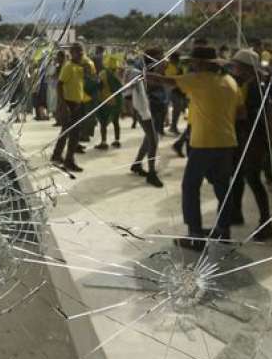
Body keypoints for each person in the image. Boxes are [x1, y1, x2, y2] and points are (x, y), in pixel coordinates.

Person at [151, 45, 240, 248]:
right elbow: (240, 112)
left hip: (204, 143)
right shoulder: (230, 81)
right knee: (222, 187)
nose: (191, 65)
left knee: (190, 187)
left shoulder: (198, 79)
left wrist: (144, 73)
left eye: (193, 62)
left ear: (201, 63)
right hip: (227, 142)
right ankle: (223, 230)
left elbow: (163, 81)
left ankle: (195, 236)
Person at [227, 49, 272, 241]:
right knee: (238, 176)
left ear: (246, 68)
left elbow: (255, 115)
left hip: (253, 140)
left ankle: (266, 223)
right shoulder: (248, 83)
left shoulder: (257, 87)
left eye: (237, 65)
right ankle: (236, 213)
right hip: (243, 138)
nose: (234, 68)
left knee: (253, 180)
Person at [128, 50, 163, 188]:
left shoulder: (148, 72)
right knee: (153, 140)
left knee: (149, 138)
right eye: (159, 59)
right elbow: (135, 92)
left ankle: (137, 164)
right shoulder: (138, 73)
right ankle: (151, 173)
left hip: (152, 109)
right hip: (144, 111)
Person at [51, 43, 87, 173]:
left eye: (83, 53)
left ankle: (60, 156)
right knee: (71, 133)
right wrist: (64, 105)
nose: (82, 55)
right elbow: (59, 86)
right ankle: (67, 160)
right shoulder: (68, 67)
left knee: (70, 133)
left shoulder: (79, 67)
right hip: (69, 104)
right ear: (73, 53)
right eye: (80, 53)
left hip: (78, 103)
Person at [94, 55, 122, 150]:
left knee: (103, 122)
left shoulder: (103, 73)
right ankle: (117, 140)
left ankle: (104, 142)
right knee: (116, 121)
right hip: (118, 101)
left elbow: (100, 86)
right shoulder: (118, 74)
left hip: (106, 100)